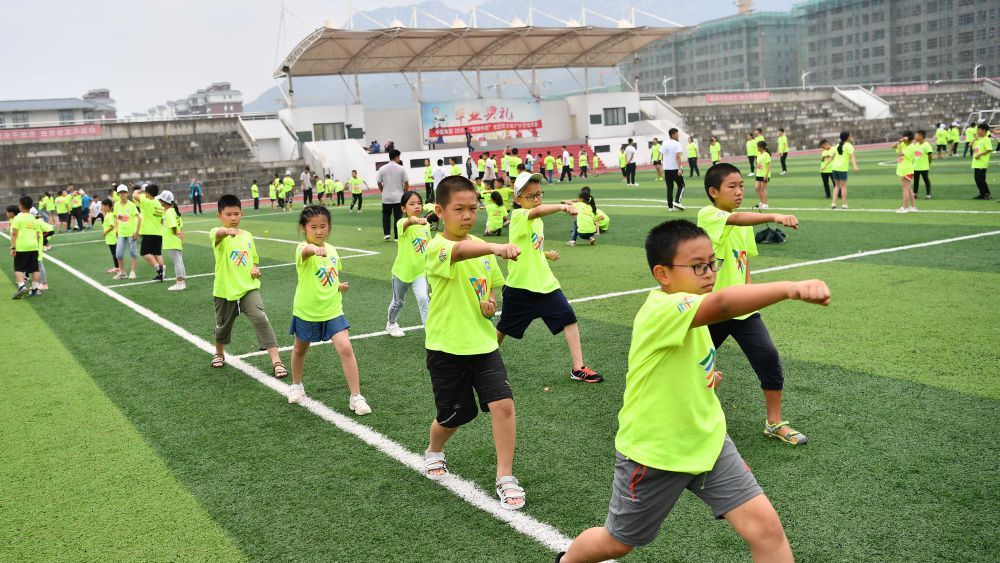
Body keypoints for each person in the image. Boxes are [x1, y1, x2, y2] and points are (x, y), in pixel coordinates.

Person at [556, 219, 829, 563]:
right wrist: (790, 288)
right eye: (698, 266)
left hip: (708, 442)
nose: (710, 273)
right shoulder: (662, 309)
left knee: (766, 530)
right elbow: (725, 304)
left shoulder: (693, 309)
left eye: (713, 263)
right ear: (663, 273)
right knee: (616, 543)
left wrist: (705, 381)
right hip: (655, 454)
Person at [421, 175, 525, 512]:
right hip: (447, 347)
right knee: (455, 415)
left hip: (484, 344)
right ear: (440, 211)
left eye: (472, 208)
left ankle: (505, 475)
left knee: (503, 405)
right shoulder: (437, 247)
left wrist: (490, 303)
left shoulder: (481, 248)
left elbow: (490, 286)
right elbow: (460, 251)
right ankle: (434, 449)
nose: (468, 216)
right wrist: (496, 246)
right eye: (459, 209)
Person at [699, 162, 808, 440]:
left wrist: (750, 296)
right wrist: (775, 216)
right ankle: (689, 413)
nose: (739, 192)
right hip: (712, 309)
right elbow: (736, 219)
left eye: (741, 186)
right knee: (695, 366)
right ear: (713, 192)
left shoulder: (744, 224)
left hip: (742, 308)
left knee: (768, 357)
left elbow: (744, 263)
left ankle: (774, 423)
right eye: (732, 187)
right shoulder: (708, 215)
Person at [501, 172, 603, 382]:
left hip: (545, 284)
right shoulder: (519, 216)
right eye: (531, 196)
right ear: (517, 199)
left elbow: (531, 247)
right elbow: (536, 212)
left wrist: (546, 254)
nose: (537, 199)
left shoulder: (538, 221)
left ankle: (578, 368)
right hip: (520, 286)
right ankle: (484, 361)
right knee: (504, 328)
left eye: (539, 194)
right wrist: (562, 207)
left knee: (568, 317)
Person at [286, 204, 370, 412]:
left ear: (329, 227)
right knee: (300, 349)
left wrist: (338, 285)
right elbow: (306, 252)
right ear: (303, 228)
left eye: (323, 226)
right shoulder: (302, 249)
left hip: (333, 309)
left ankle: (356, 397)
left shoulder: (332, 250)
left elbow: (330, 274)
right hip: (307, 311)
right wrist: (314, 250)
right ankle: (296, 385)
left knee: (345, 348)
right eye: (313, 227)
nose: (319, 231)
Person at [209, 194, 287, 378]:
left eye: (236, 214)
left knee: (261, 318)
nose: (233, 218)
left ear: (242, 214)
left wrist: (254, 268)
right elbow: (218, 234)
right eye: (228, 214)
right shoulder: (217, 233)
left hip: (248, 288)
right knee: (222, 326)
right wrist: (226, 232)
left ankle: (276, 361)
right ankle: (219, 353)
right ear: (219, 215)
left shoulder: (248, 236)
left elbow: (253, 259)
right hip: (225, 290)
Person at [386, 191, 432, 337]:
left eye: (419, 203)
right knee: (398, 302)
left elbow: (429, 247)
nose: (416, 206)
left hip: (420, 272)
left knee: (424, 299)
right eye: (412, 204)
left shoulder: (426, 225)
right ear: (403, 208)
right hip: (402, 272)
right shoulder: (402, 223)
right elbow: (410, 221)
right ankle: (391, 324)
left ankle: (430, 331)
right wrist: (414, 220)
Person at [9, 196, 42, 299]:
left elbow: (14, 234)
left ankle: (21, 286)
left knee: (19, 267)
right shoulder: (33, 218)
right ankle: (35, 289)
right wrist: (36, 246)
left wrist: (12, 247)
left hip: (22, 246)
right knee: (35, 268)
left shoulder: (17, 218)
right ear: (31, 206)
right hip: (33, 246)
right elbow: (38, 235)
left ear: (21, 206)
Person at [157, 190, 186, 290]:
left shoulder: (169, 212)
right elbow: (180, 225)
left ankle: (180, 282)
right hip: (175, 240)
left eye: (160, 200)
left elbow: (173, 226)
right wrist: (180, 235)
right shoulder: (173, 211)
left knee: (177, 262)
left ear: (163, 202)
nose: (159, 202)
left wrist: (176, 233)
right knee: (179, 261)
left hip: (172, 240)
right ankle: (182, 281)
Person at [137, 184, 166, 282]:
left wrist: (139, 190)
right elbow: (162, 219)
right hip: (159, 232)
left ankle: (158, 268)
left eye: (145, 192)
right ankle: (162, 273)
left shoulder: (147, 201)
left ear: (148, 193)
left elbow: (135, 195)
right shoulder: (159, 204)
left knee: (144, 252)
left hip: (149, 232)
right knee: (157, 253)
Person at [377, 149, 408, 241]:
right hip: (398, 197)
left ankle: (386, 234)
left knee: (386, 215)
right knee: (398, 216)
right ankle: (396, 236)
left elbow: (379, 182)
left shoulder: (382, 168)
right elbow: (406, 182)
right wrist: (405, 193)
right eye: (399, 157)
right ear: (396, 157)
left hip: (386, 197)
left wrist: (383, 191)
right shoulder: (401, 168)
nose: (399, 159)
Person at [112, 185, 139, 280]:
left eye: (124, 192)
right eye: (120, 192)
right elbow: (115, 217)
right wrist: (116, 229)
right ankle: (122, 272)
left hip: (131, 232)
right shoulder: (116, 205)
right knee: (118, 253)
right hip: (121, 233)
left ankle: (133, 272)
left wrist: (136, 232)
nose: (122, 194)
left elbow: (139, 218)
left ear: (127, 193)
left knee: (133, 252)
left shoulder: (131, 205)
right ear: (118, 194)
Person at [830, 131, 857, 210]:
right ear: (848, 137)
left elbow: (832, 157)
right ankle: (844, 204)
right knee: (843, 187)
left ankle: (833, 203)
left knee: (836, 186)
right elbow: (852, 157)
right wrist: (855, 166)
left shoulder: (837, 145)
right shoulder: (849, 146)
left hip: (835, 168)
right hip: (842, 169)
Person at [891, 132, 917, 214]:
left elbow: (900, 154)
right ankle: (913, 207)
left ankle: (905, 207)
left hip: (907, 170)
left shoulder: (911, 147)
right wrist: (899, 141)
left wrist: (899, 144)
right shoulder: (903, 144)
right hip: (903, 169)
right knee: (908, 189)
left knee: (905, 189)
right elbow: (892, 146)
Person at [662, 128, 685, 211]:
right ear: (673, 134)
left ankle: (670, 207)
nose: (678, 135)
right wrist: (679, 169)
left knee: (669, 188)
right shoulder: (677, 144)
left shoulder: (664, 143)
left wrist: (664, 165)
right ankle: (677, 201)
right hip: (675, 169)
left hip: (667, 169)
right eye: (677, 134)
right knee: (682, 185)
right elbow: (678, 157)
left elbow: (662, 155)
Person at [971, 122, 993, 199]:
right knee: (977, 179)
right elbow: (971, 145)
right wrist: (975, 138)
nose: (977, 132)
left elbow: (989, 149)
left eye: (978, 130)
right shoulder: (979, 139)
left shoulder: (986, 139)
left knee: (981, 179)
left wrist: (979, 155)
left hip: (982, 163)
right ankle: (982, 193)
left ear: (984, 130)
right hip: (976, 163)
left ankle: (987, 194)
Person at [912, 130, 934, 200]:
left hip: (924, 167)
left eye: (916, 136)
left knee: (926, 180)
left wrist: (928, 163)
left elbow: (930, 156)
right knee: (916, 181)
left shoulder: (926, 145)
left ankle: (928, 194)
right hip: (915, 167)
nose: (915, 137)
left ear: (921, 136)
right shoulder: (916, 145)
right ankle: (915, 193)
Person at [101, 199, 120, 276]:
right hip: (110, 237)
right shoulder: (108, 214)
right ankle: (117, 267)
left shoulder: (110, 215)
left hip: (112, 237)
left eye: (103, 206)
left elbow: (112, 226)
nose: (102, 208)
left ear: (107, 206)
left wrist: (105, 232)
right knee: (114, 253)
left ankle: (118, 268)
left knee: (115, 253)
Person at [754, 141, 772, 209]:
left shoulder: (766, 155)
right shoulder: (758, 154)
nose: (757, 148)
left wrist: (766, 175)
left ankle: (765, 204)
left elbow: (769, 166)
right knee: (757, 188)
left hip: (764, 174)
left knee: (763, 189)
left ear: (761, 147)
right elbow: (758, 163)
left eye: (758, 147)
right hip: (758, 174)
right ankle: (761, 202)